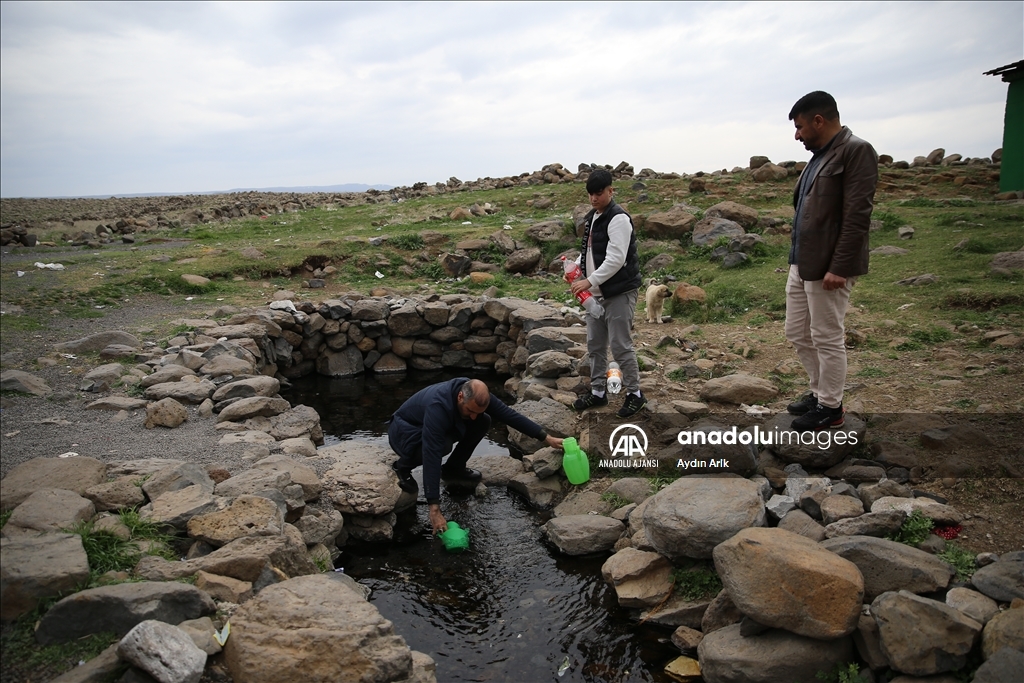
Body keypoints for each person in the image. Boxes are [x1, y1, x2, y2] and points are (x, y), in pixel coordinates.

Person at [785, 91, 877, 431]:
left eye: (800, 127)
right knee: (797, 331)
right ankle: (818, 391)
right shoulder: (818, 156)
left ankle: (830, 407)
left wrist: (839, 266)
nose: (797, 135)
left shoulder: (856, 151)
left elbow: (857, 216)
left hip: (829, 266)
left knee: (826, 336)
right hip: (802, 262)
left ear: (819, 121)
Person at [388, 378, 564, 534]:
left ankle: (453, 469)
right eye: (469, 410)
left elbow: (510, 416)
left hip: (427, 426)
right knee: (442, 445)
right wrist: (434, 507)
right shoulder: (438, 406)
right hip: (404, 432)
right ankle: (402, 467)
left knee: (483, 421)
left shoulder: (476, 396)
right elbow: (431, 454)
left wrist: (546, 437)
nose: (473, 416)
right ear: (460, 397)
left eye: (476, 411)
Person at [570, 168, 647, 418]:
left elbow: (616, 258)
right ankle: (598, 392)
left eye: (599, 193)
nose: (594, 198)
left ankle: (635, 394)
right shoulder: (593, 216)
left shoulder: (619, 218)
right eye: (590, 194)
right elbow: (590, 250)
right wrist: (576, 267)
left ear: (611, 191)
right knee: (595, 344)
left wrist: (589, 280)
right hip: (596, 294)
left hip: (619, 291)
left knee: (620, 344)